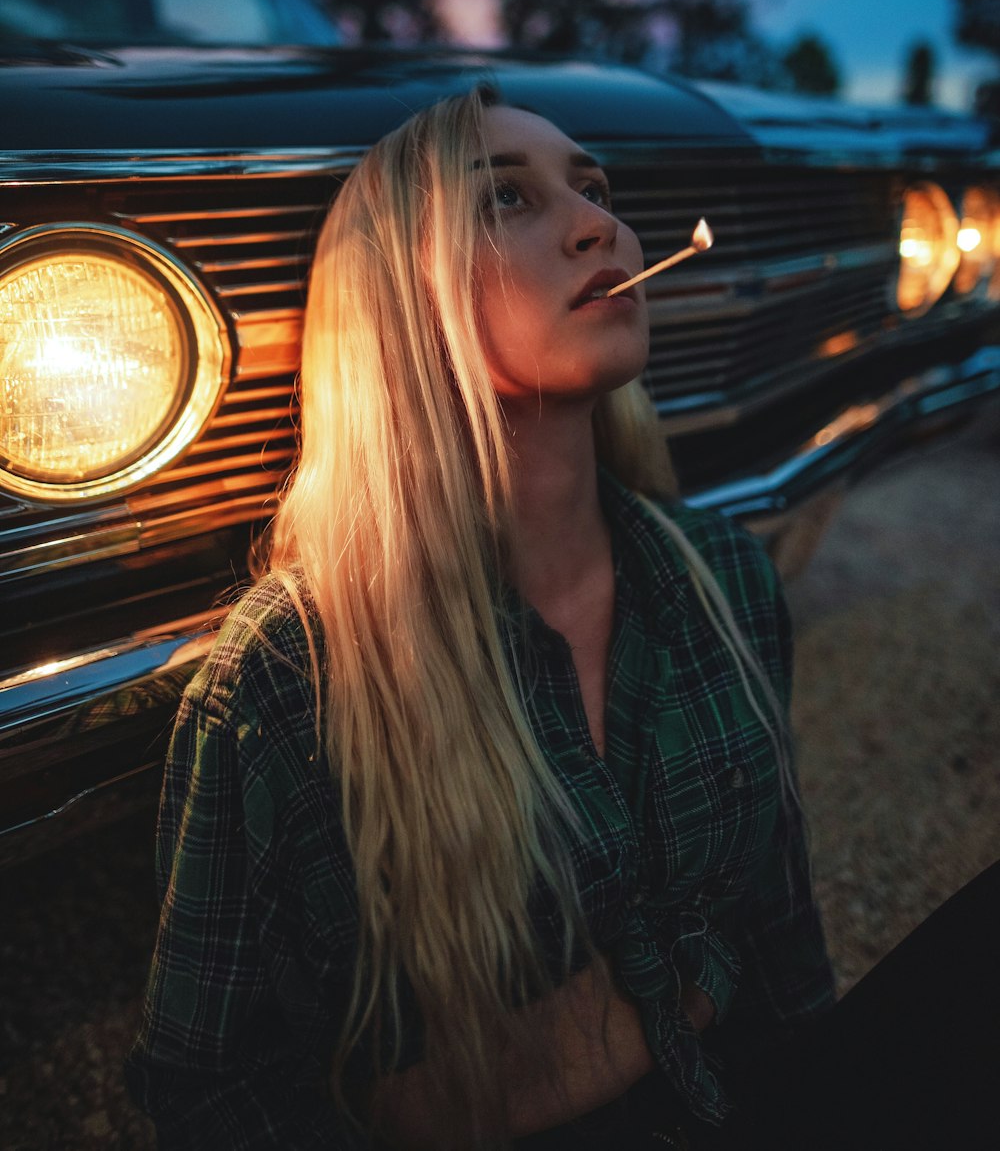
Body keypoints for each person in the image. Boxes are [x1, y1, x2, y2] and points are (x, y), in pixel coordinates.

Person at [124, 83, 997, 1151]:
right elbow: (211, 1082)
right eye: (506, 200)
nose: (601, 224)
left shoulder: (721, 575)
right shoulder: (287, 674)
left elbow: (777, 929)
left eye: (594, 189)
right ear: (401, 295)